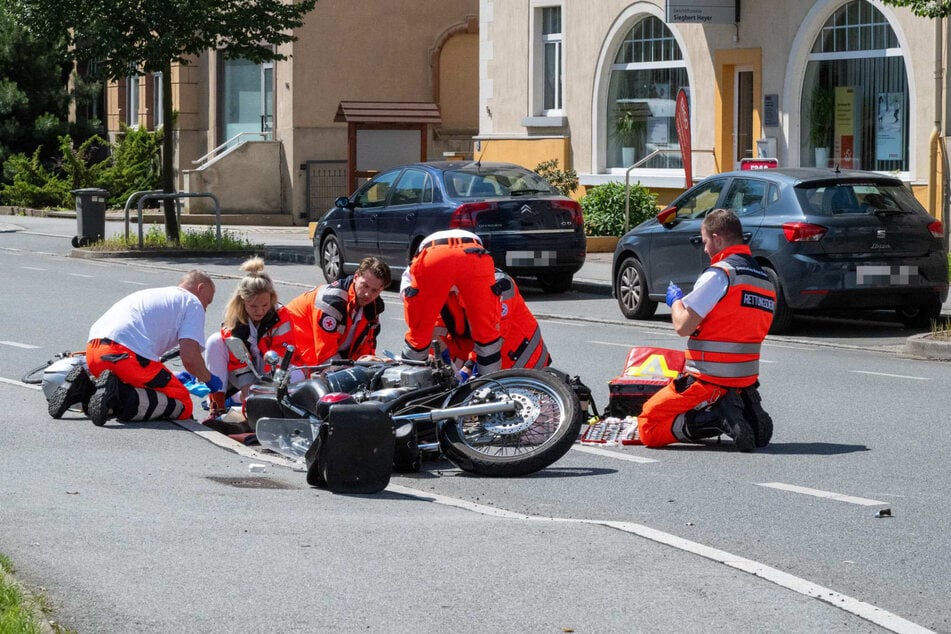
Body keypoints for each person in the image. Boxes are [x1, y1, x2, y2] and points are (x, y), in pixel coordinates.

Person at [636, 209, 775, 452]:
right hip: (745, 379)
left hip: (708, 378)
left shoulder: (720, 275)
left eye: (705, 242)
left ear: (717, 238)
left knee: (648, 425)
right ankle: (740, 405)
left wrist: (675, 301)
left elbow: (682, 326)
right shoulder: (763, 280)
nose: (705, 249)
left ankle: (714, 418)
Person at [84, 270, 221, 426]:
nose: (205, 309)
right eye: (207, 302)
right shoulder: (192, 302)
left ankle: (84, 391)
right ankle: (118, 397)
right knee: (183, 403)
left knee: (151, 384)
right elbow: (190, 359)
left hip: (94, 353)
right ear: (200, 288)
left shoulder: (155, 294)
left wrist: (174, 377)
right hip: (124, 356)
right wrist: (209, 379)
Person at [199, 257, 296, 433]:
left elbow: (281, 356)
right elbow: (239, 361)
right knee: (214, 340)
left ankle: (257, 409)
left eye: (264, 305)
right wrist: (247, 389)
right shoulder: (234, 320)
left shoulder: (282, 316)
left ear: (272, 298)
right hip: (246, 372)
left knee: (295, 378)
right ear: (243, 302)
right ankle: (217, 407)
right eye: (253, 306)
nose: (259, 311)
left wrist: (263, 393)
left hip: (276, 372)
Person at [401, 229, 502, 374]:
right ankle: (490, 386)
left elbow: (412, 304)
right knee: (487, 338)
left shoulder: (409, 272)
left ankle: (410, 384)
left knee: (418, 337)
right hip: (474, 253)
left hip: (434, 254)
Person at [428, 269, 550, 376]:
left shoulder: (498, 284)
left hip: (524, 365)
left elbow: (492, 338)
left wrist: (469, 367)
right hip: (486, 366)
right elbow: (436, 333)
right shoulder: (442, 291)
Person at [285, 256, 391, 367]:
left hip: (323, 354)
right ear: (355, 277)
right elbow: (325, 357)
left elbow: (365, 351)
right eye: (365, 286)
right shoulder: (330, 303)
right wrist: (356, 367)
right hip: (293, 350)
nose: (367, 294)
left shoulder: (373, 308)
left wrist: (375, 364)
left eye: (375, 290)